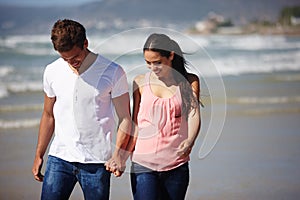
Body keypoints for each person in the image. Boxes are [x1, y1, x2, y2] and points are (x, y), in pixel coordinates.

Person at [31, 19, 132, 200]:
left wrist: (118, 155)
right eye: (65, 58)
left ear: (85, 43)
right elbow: (48, 115)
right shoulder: (52, 71)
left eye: (75, 57)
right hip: (59, 158)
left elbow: (125, 118)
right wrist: (39, 154)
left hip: (97, 162)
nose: (71, 62)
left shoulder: (113, 71)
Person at [129, 33, 201, 200]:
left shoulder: (190, 81)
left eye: (157, 62)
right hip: (143, 163)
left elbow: (194, 114)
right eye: (148, 63)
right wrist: (121, 155)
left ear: (170, 55)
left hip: (176, 163)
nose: (153, 68)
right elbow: (135, 122)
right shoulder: (139, 82)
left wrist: (190, 140)